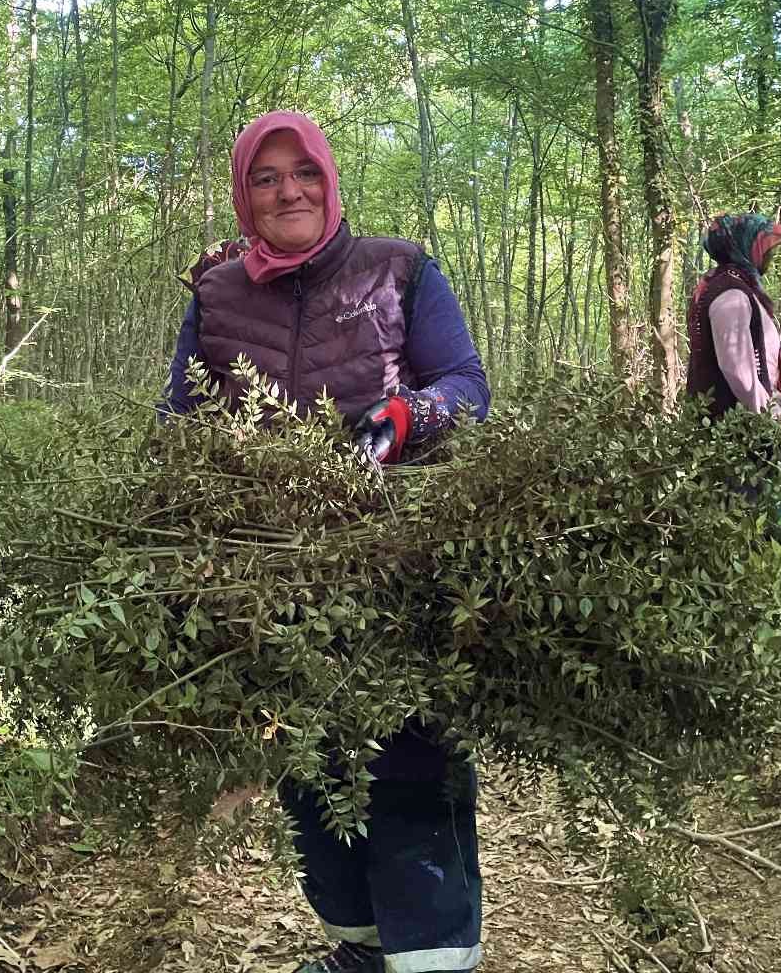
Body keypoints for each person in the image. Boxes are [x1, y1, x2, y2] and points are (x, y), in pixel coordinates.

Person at [164, 110, 489, 973]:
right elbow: (180, 419)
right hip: (270, 577)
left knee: (411, 765)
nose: (288, 191)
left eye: (301, 171)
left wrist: (408, 415)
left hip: (395, 566)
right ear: (244, 194)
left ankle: (432, 961)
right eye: (265, 178)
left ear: (329, 177)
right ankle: (359, 952)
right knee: (309, 771)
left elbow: (466, 383)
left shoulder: (401, 268)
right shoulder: (216, 294)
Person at [686, 212, 781, 419]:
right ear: (746, 246)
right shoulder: (731, 296)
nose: (771, 255)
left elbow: (744, 348)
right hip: (734, 433)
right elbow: (737, 372)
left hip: (744, 424)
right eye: (767, 248)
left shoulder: (739, 285)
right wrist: (777, 421)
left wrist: (776, 352)